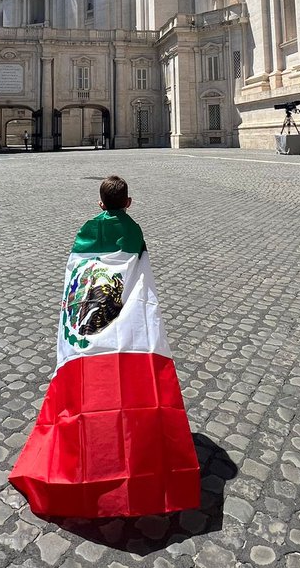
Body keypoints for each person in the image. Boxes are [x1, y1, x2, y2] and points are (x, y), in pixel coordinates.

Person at [10, 175, 200, 519]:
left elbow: (76, 269)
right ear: (128, 202)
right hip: (120, 320)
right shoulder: (134, 231)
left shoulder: (87, 230)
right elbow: (138, 273)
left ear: (100, 204)